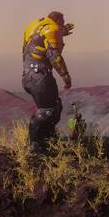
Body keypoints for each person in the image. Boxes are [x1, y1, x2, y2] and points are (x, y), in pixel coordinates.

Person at [22, 11, 74, 153]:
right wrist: (65, 75)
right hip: (39, 77)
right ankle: (34, 146)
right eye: (62, 21)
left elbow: (39, 37)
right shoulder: (53, 29)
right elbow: (54, 56)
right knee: (48, 111)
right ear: (58, 20)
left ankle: (47, 143)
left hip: (29, 75)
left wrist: (62, 31)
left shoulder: (36, 24)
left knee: (53, 107)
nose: (63, 24)